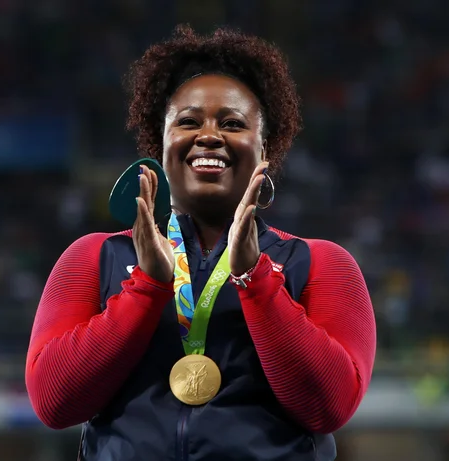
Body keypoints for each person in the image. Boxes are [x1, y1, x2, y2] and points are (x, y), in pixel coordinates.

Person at [25, 25, 376, 461]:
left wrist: (256, 279)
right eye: (188, 121)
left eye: (232, 123)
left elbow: (329, 407)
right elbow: (54, 402)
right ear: (162, 140)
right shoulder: (95, 257)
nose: (208, 135)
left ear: (263, 146)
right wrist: (147, 287)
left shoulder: (320, 262)